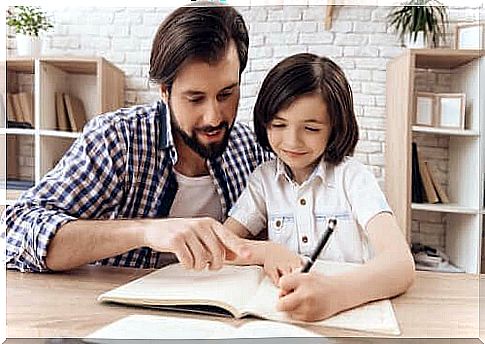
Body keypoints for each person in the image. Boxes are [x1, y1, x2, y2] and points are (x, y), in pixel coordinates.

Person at [2, 4, 271, 273]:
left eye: (226, 94)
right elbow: (16, 230)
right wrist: (145, 230)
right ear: (165, 91)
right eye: (195, 98)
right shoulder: (117, 140)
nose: (213, 117)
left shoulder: (252, 150)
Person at [223, 53, 415, 322]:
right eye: (278, 125)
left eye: (311, 128)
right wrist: (267, 251)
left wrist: (335, 294)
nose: (292, 141)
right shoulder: (264, 180)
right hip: (284, 316)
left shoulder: (352, 178)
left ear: (334, 128)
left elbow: (401, 264)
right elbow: (222, 244)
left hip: (349, 316)